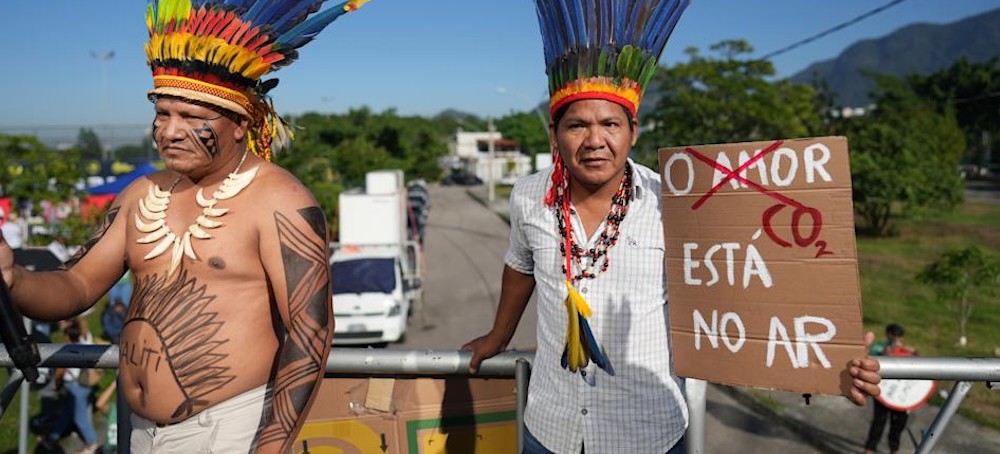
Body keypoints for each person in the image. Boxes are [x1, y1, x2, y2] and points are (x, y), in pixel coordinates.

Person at [462, 1, 882, 453]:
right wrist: (499, 335)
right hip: (549, 428)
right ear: (553, 134)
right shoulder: (528, 196)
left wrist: (823, 352)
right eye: (577, 125)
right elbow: (520, 266)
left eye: (610, 124)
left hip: (649, 432)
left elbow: (746, 283)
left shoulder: (680, 201)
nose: (595, 140)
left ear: (633, 131)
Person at [0, 1, 373, 452]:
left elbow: (311, 331)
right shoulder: (141, 194)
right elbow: (76, 286)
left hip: (231, 431)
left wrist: (271, 443)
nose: (170, 131)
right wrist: (13, 278)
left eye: (193, 118)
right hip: (140, 431)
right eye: (163, 113)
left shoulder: (279, 200)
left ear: (241, 124)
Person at [42, 320, 100, 454]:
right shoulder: (84, 343)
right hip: (85, 385)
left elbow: (60, 371)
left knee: (79, 417)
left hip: (75, 387)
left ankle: (92, 443)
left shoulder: (67, 351)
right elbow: (84, 326)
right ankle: (53, 438)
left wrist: (56, 385)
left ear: (67, 337)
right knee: (67, 412)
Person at [863, 323, 914, 454]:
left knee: (898, 424)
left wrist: (913, 352)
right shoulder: (879, 347)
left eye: (900, 337)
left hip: (900, 393)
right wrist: (882, 353)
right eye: (895, 336)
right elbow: (870, 360)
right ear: (889, 335)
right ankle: (870, 449)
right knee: (878, 422)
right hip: (883, 392)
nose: (897, 340)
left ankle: (894, 449)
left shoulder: (907, 351)